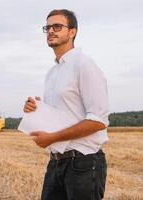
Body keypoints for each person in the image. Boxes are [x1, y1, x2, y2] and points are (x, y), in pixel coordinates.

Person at [23, 9, 109, 200]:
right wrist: (35, 109)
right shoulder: (52, 73)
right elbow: (61, 114)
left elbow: (99, 121)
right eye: (47, 27)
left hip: (84, 163)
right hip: (55, 162)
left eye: (57, 26)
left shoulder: (84, 65)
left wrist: (52, 137)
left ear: (72, 32)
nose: (50, 31)